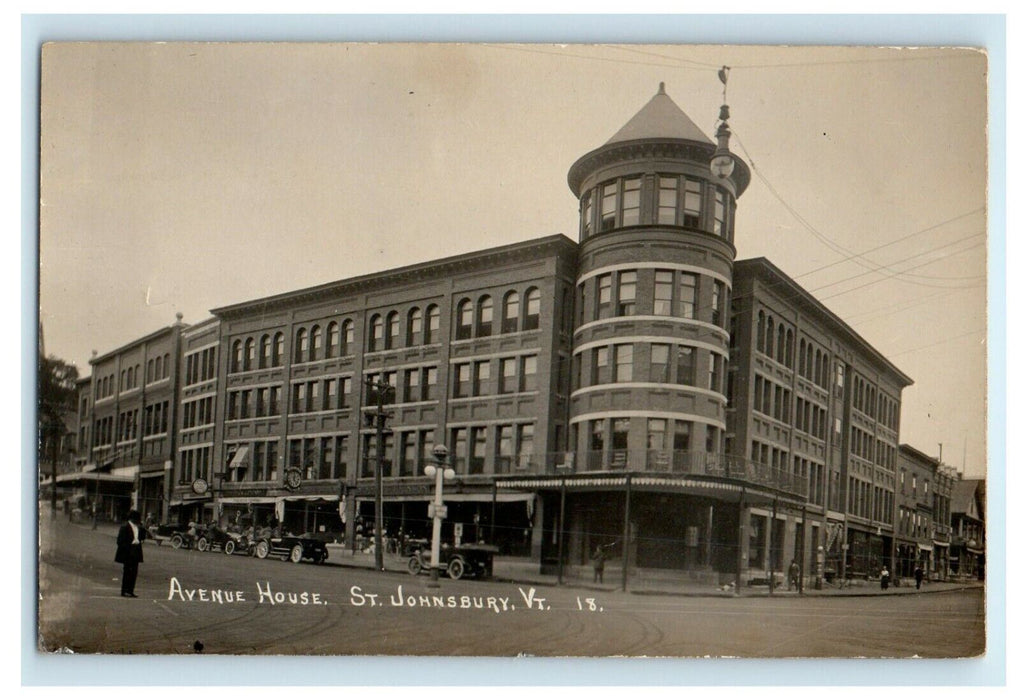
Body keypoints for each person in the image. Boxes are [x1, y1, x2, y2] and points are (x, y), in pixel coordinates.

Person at [114, 510, 146, 598]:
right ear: (132, 519)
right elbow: (119, 541)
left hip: (136, 551)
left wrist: (142, 528)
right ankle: (124, 590)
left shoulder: (138, 527)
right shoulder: (125, 527)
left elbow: (143, 537)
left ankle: (131, 590)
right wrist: (128, 547)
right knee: (127, 572)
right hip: (128, 551)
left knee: (134, 572)